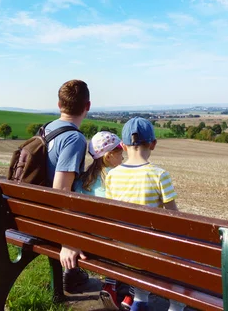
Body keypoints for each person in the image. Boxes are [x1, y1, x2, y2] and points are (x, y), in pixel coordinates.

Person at [105, 117, 181, 311]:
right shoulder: (159, 175)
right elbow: (175, 219)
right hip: (151, 254)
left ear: (122, 146)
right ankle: (176, 306)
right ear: (153, 144)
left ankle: (139, 299)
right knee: (182, 260)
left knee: (140, 250)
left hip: (122, 252)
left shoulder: (112, 175)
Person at [45, 79, 91, 293]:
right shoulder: (74, 139)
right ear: (87, 106)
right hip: (50, 217)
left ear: (59, 105)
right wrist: (67, 241)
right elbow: (61, 190)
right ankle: (70, 273)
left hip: (32, 212)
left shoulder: (47, 128)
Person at [73, 131, 127, 309]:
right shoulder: (120, 179)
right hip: (113, 244)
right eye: (120, 153)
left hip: (89, 243)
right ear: (110, 156)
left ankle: (111, 285)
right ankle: (130, 294)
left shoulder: (82, 179)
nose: (123, 156)